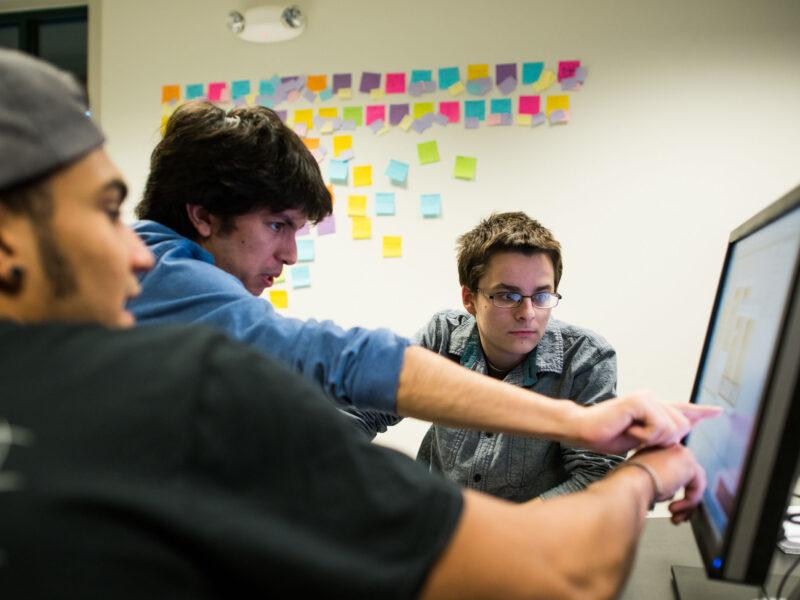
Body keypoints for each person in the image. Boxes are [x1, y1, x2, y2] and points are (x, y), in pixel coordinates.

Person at [0, 49, 712, 599]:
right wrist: (646, 467)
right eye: (103, 211)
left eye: (542, 295)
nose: (134, 252)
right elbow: (341, 366)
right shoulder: (196, 351)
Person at [130, 99, 711, 448]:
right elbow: (339, 361)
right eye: (279, 226)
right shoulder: (167, 278)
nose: (289, 255)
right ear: (202, 215)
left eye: (540, 295)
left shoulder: (156, 265)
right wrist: (578, 424)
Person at [417, 213, 624, 502]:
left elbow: (597, 478)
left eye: (541, 296)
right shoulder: (442, 337)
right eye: (507, 296)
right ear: (469, 299)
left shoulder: (586, 358)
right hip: (444, 531)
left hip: (539, 538)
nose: (527, 313)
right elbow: (360, 412)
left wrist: (505, 528)